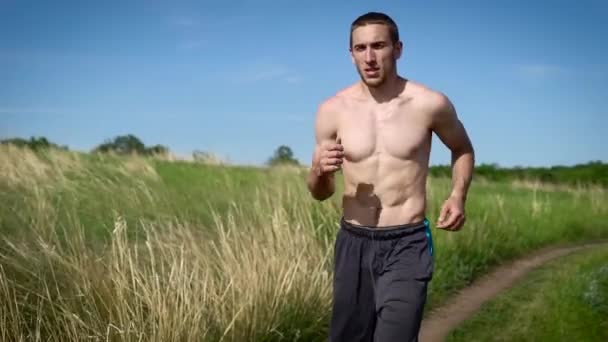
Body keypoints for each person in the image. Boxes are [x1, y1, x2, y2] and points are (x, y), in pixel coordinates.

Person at [306, 11, 475, 342]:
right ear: (351, 53)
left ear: (398, 49)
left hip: (406, 242)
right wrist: (317, 172)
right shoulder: (332, 110)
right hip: (353, 242)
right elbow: (321, 192)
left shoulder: (430, 104)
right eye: (360, 48)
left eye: (378, 46)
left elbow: (463, 149)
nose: (369, 58)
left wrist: (457, 195)